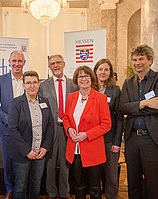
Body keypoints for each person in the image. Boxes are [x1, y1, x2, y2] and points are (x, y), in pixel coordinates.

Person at [119, 44, 158, 199]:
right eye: (135, 59)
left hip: (153, 139)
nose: (137, 62)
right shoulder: (128, 83)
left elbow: (157, 107)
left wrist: (134, 107)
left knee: (152, 183)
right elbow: (123, 107)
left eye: (141, 59)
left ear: (150, 60)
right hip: (132, 139)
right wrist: (144, 103)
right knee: (133, 181)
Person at [63, 65, 111, 199]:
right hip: (75, 149)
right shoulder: (71, 97)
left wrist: (86, 134)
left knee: (95, 187)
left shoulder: (100, 98)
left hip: (92, 148)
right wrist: (69, 129)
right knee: (78, 185)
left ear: (92, 78)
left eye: (86, 76)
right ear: (76, 80)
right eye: (80, 76)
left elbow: (106, 124)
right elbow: (66, 118)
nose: (83, 79)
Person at [8, 71, 54, 199]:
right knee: (20, 185)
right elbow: (13, 129)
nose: (32, 85)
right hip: (23, 153)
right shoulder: (16, 103)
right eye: (28, 83)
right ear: (23, 85)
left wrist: (45, 147)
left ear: (39, 84)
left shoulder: (45, 102)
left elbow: (50, 126)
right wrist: (26, 151)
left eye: (34, 82)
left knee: (36, 184)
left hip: (40, 152)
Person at [39, 54, 78, 199]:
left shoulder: (73, 86)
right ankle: (51, 192)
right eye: (52, 63)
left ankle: (65, 192)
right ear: (49, 67)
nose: (55, 65)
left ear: (64, 64)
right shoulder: (43, 86)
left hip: (67, 129)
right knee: (49, 163)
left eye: (58, 63)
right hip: (50, 129)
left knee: (65, 163)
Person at [0, 50, 25, 198]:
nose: (17, 64)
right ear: (9, 62)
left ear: (24, 62)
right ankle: (10, 190)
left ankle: (22, 189)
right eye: (14, 61)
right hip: (6, 129)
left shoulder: (29, 79)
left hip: (26, 129)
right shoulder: (0, 80)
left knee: (25, 160)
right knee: (8, 161)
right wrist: (8, 119)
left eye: (20, 61)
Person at [93, 59, 123, 199]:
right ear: (95, 71)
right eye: (100, 69)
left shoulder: (115, 90)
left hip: (109, 139)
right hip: (92, 139)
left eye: (106, 69)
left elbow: (119, 117)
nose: (103, 72)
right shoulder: (89, 88)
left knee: (111, 174)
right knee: (94, 173)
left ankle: (111, 196)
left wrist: (117, 142)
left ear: (110, 72)